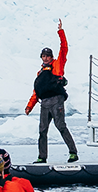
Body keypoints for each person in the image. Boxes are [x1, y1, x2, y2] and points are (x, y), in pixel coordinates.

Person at [25, 21, 79, 164]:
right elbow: (37, 92)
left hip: (56, 100)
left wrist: (61, 32)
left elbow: (64, 48)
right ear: (41, 57)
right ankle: (42, 157)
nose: (46, 58)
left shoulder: (57, 66)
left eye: (48, 56)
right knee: (42, 130)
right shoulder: (40, 73)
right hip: (45, 103)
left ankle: (73, 153)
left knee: (61, 126)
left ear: (52, 57)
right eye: (44, 56)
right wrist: (30, 106)